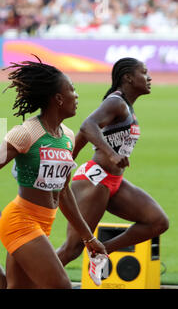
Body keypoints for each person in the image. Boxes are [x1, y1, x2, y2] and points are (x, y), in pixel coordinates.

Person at [0, 59, 107, 289]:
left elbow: (63, 193)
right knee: (61, 286)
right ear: (58, 99)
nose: (77, 95)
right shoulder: (27, 133)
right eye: (72, 89)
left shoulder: (67, 137)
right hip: (20, 221)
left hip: (44, 222)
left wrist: (88, 237)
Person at [56, 57, 169, 284]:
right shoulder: (116, 102)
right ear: (128, 77)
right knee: (72, 249)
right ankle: (23, 281)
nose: (149, 78)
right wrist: (111, 153)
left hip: (113, 182)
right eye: (144, 73)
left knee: (157, 222)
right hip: (94, 180)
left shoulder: (126, 106)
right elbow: (88, 125)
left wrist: (68, 161)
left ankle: (101, 251)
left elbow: (82, 136)